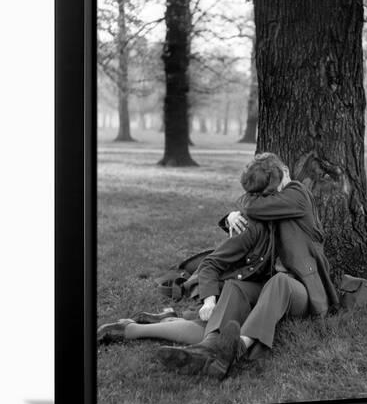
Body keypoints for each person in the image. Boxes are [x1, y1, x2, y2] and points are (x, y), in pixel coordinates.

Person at [98, 153, 339, 380]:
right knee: (234, 288)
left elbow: (254, 205)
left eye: (274, 188)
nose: (276, 193)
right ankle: (202, 347)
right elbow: (216, 259)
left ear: (286, 171)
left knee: (280, 282)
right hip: (265, 292)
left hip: (300, 292)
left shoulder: (297, 193)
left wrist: (237, 209)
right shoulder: (257, 222)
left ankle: (237, 347)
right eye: (269, 192)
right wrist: (210, 300)